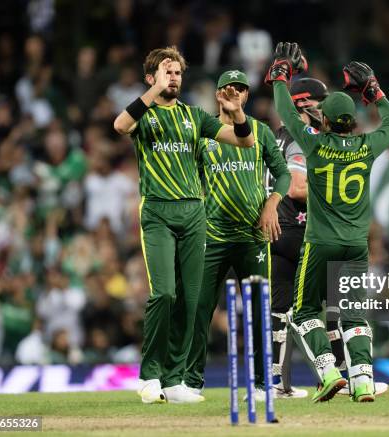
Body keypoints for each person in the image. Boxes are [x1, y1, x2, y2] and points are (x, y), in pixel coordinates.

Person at [113, 46, 254, 404]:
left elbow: (245, 140)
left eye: (177, 73)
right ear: (152, 78)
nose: (173, 78)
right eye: (166, 72)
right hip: (158, 212)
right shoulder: (143, 113)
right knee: (164, 293)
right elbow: (119, 125)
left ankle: (175, 380)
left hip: (194, 214)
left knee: (191, 300)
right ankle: (149, 375)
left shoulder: (194, 116)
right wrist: (152, 92)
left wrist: (237, 113)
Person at [266, 42, 389, 402]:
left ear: (324, 119)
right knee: (354, 315)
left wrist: (280, 75)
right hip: (356, 244)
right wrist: (373, 88)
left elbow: (285, 109)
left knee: (303, 311)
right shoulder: (367, 147)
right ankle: (363, 381)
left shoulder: (314, 144)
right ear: (353, 122)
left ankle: (328, 373)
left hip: (319, 242)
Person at [183, 69, 291, 401]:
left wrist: (272, 204)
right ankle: (190, 382)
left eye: (242, 89)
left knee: (258, 310)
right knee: (200, 308)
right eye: (231, 89)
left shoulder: (259, 131)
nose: (237, 94)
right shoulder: (203, 134)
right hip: (212, 236)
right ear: (218, 95)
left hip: (252, 238)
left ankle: (260, 384)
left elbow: (283, 175)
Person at [268, 77, 328, 398]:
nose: (325, 108)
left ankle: (279, 384)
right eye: (321, 102)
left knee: (281, 311)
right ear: (305, 104)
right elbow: (296, 187)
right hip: (298, 232)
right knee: (325, 307)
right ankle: (332, 377)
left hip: (274, 232)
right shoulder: (300, 137)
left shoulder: (275, 136)